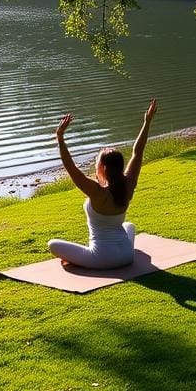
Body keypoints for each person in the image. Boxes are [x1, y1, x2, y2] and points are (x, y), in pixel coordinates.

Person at [48, 99, 157, 269]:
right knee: (128, 225)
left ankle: (83, 259)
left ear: (103, 168)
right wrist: (147, 121)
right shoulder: (128, 185)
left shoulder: (97, 192)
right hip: (127, 255)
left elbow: (70, 167)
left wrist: (60, 137)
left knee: (52, 244)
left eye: (97, 162)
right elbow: (138, 152)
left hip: (101, 258)